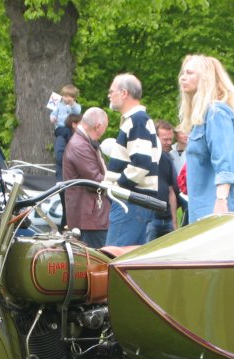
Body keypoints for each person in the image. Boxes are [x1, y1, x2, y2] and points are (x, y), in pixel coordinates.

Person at [177, 54, 234, 223]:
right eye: (183, 73)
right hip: (207, 202)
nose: (182, 78)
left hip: (225, 203)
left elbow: (225, 161)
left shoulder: (216, 113)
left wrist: (221, 201)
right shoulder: (204, 115)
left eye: (190, 73)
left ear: (205, 78)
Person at [103, 73, 160, 246]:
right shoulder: (139, 121)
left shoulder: (137, 121)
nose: (109, 95)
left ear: (124, 93)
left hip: (129, 202)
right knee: (129, 264)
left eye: (112, 91)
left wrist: (116, 187)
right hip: (135, 202)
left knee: (113, 260)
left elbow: (141, 164)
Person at [62, 107, 110, 248]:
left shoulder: (82, 143)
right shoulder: (80, 146)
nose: (103, 133)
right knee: (97, 264)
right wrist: (118, 180)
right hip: (90, 219)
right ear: (98, 126)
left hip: (89, 217)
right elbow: (96, 180)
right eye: (104, 129)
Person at [146, 120, 181, 240]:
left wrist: (174, 222)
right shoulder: (144, 158)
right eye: (165, 139)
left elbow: (171, 191)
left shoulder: (167, 159)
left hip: (167, 219)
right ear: (155, 138)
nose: (169, 143)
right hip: (149, 219)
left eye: (170, 139)